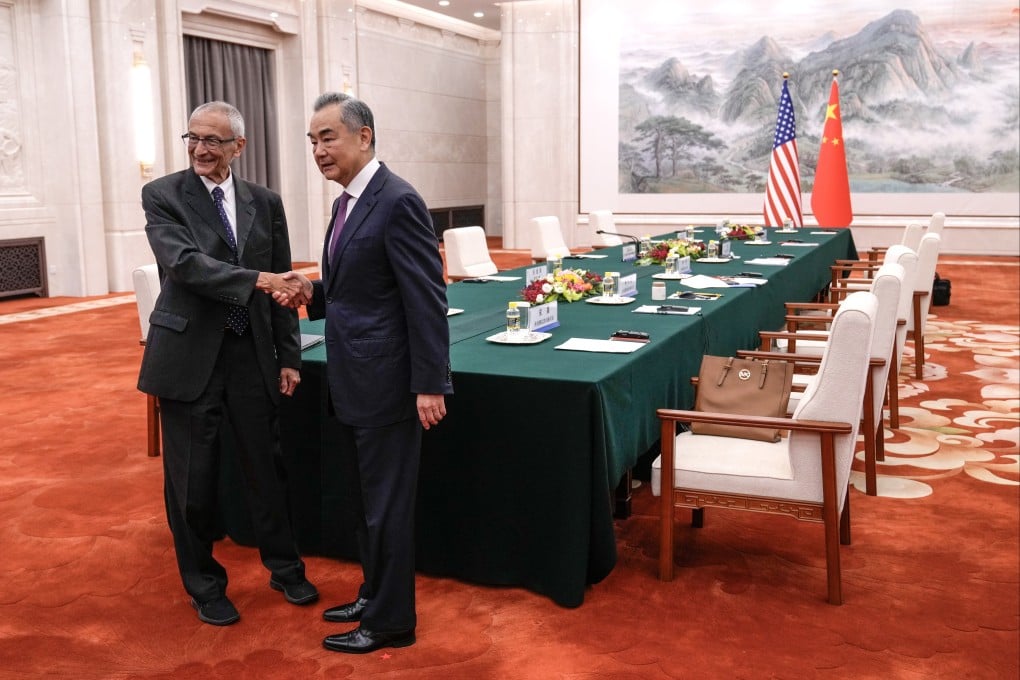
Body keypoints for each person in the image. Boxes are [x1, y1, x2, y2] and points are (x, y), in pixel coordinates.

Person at [274, 92, 452, 654]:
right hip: (354, 378)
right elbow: (363, 290)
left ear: (364, 136)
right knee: (365, 504)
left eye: (328, 137)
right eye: (312, 141)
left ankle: (392, 622)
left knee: (387, 509)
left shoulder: (397, 200)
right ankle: (374, 593)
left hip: (389, 385)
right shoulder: (346, 203)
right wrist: (314, 293)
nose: (319, 151)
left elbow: (426, 299)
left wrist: (430, 382)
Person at [137, 100, 317, 626]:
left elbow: (283, 278)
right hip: (188, 357)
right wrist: (259, 280)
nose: (199, 148)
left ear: (239, 147)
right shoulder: (163, 195)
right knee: (192, 483)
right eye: (192, 137)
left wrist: (289, 356)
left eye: (213, 140)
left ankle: (285, 568)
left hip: (252, 355)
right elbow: (186, 266)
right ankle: (204, 584)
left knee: (268, 471)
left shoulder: (266, 201)